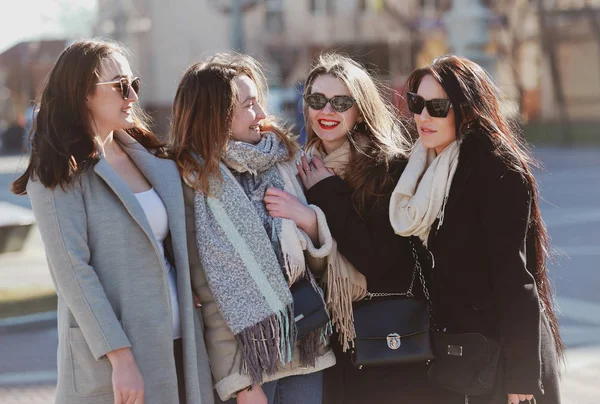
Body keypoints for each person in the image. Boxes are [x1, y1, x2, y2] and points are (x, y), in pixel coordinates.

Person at [11, 39, 213, 404]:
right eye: (120, 86)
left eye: (134, 84)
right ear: (83, 94)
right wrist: (120, 358)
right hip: (118, 361)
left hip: (182, 346)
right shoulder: (57, 171)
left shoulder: (150, 158)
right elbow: (73, 273)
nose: (132, 95)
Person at [269, 53, 448, 403]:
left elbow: (380, 260)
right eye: (317, 100)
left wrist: (317, 210)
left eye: (340, 102)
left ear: (360, 108)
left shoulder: (389, 169)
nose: (327, 111)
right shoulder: (298, 169)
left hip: (388, 345)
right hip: (330, 344)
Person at [389, 54, 563, 404]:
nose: (423, 115)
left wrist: (521, 378)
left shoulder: (495, 171)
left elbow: (515, 279)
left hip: (502, 362)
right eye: (417, 103)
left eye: (437, 106)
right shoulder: (419, 170)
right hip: (460, 360)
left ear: (467, 108)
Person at [167, 52, 336, 404]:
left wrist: (309, 220)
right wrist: (241, 384)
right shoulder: (192, 184)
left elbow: (317, 269)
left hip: (306, 347)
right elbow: (210, 296)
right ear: (215, 114)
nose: (261, 114)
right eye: (248, 105)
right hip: (250, 366)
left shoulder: (284, 160)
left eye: (258, 102)